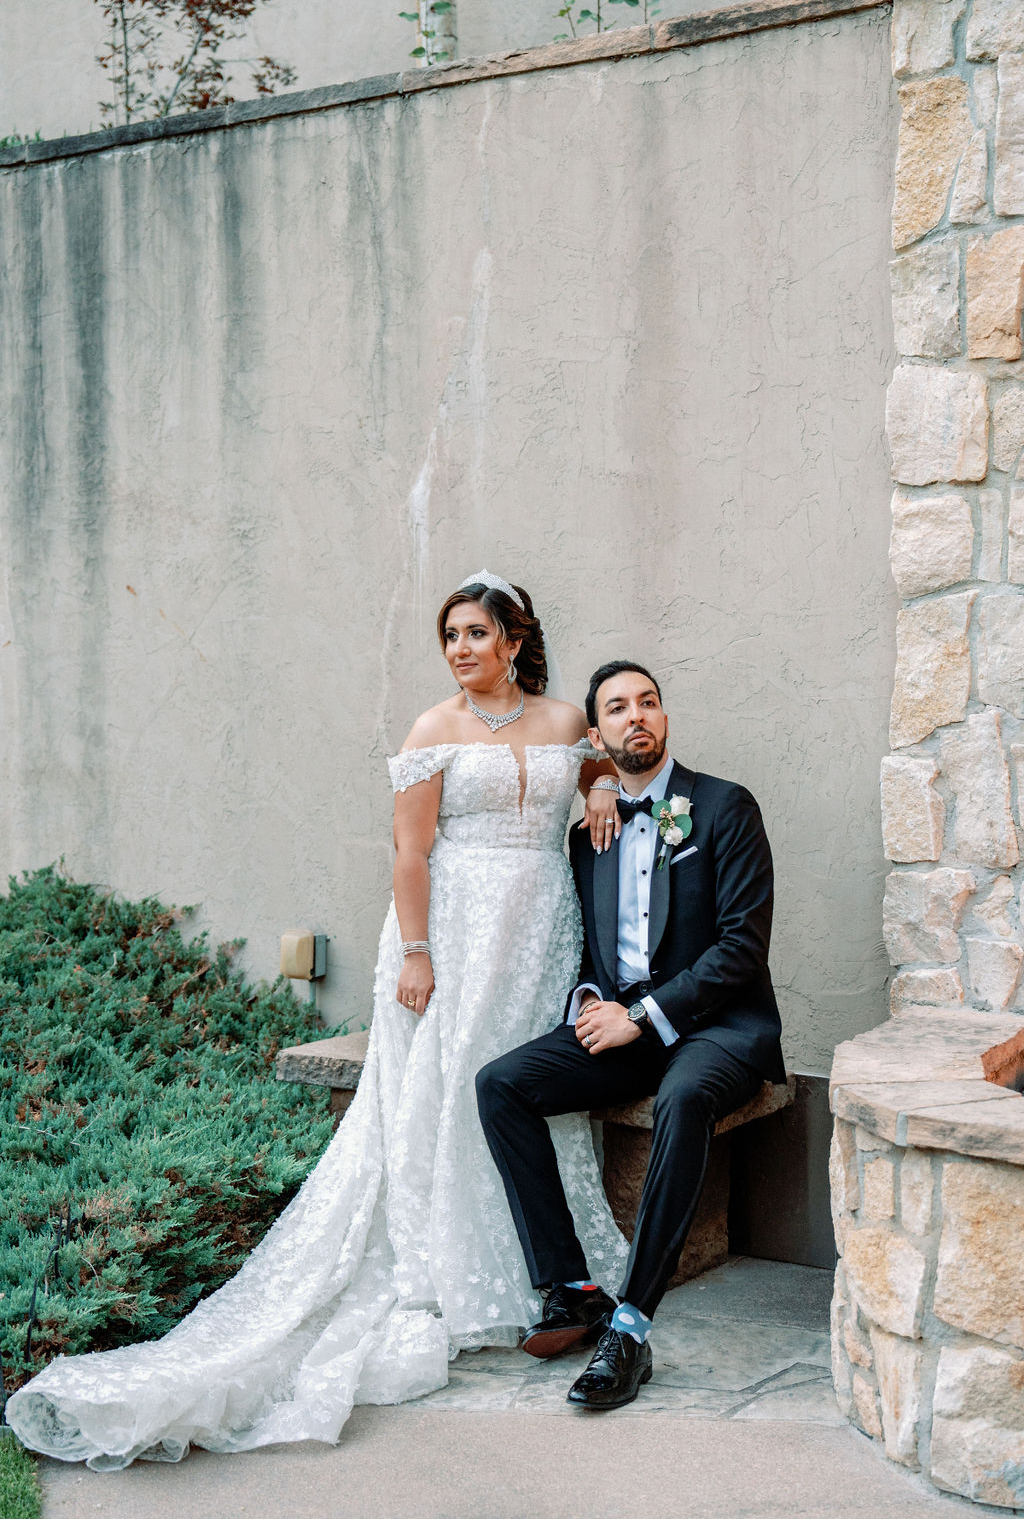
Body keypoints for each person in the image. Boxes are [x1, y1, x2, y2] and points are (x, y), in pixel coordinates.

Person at [6, 573, 629, 1469]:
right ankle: (449, 1271)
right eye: (449, 634)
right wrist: (416, 953)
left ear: (516, 641)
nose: (459, 648)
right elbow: (410, 849)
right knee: (442, 1092)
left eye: (475, 633)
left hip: (536, 929)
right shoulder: (432, 730)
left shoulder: (568, 720)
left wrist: (601, 783)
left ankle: (547, 1259)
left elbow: (595, 761)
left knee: (512, 1083)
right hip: (450, 928)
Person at [476, 660, 786, 1411]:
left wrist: (642, 1016)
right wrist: (590, 1001)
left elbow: (742, 947)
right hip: (624, 1028)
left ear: (665, 720)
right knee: (501, 1084)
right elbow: (593, 950)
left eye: (648, 702)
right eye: (618, 708)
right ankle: (571, 1285)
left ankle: (630, 1326)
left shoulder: (723, 807)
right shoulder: (592, 833)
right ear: (598, 734)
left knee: (683, 1099)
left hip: (721, 1027)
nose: (636, 715)